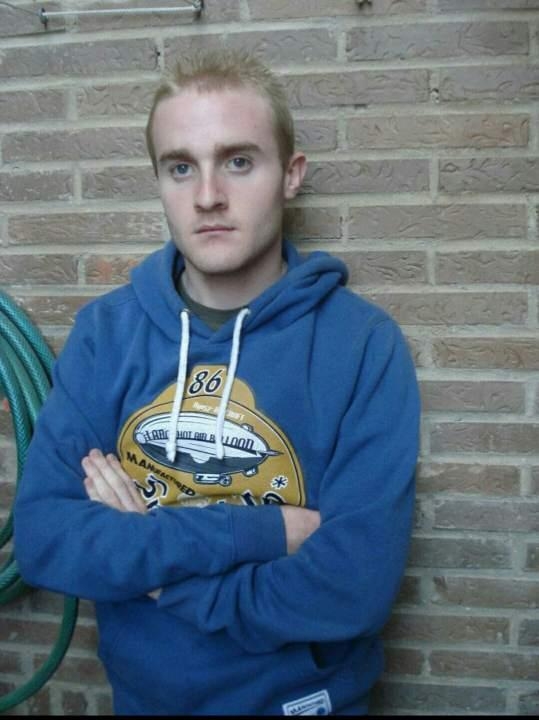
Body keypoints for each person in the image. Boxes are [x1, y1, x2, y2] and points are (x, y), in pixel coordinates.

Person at [14, 50, 420, 716]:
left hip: (302, 702)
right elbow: (45, 539)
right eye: (181, 167)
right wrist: (257, 535)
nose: (207, 195)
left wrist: (160, 577)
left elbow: (352, 587)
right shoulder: (106, 335)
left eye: (238, 161)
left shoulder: (362, 346)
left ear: (291, 176)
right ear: (158, 180)